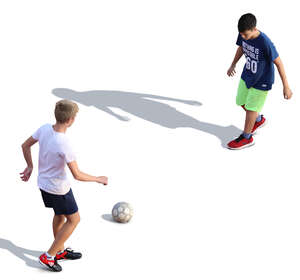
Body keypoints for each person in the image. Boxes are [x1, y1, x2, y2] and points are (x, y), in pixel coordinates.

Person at [20, 99, 108, 272]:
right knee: (74, 219)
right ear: (70, 120)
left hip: (44, 185)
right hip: (59, 189)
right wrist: (98, 178)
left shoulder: (45, 128)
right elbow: (77, 175)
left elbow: (25, 146)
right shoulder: (64, 143)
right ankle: (49, 255)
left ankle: (59, 250)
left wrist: (30, 166)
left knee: (60, 216)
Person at [227, 13, 293, 149]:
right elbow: (241, 47)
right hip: (248, 75)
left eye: (246, 35)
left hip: (262, 80)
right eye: (241, 34)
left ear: (254, 28)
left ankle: (247, 137)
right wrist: (233, 64)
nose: (243, 37)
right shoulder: (243, 34)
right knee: (240, 101)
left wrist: (286, 86)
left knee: (251, 108)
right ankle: (258, 119)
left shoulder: (265, 42)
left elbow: (279, 63)